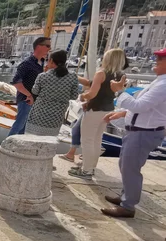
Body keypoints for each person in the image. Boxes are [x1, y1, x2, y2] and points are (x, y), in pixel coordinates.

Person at [100, 48, 166, 218]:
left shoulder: (163, 85)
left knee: (130, 168)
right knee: (126, 165)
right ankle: (125, 197)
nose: (157, 60)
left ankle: (128, 206)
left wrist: (120, 90)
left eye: (162, 58)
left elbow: (139, 106)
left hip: (144, 132)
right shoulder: (159, 82)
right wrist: (122, 113)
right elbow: (144, 108)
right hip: (140, 130)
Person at [69, 48, 126, 179]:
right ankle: (90, 167)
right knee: (97, 139)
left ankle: (86, 170)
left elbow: (92, 93)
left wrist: (82, 96)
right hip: (108, 109)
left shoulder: (101, 73)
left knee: (87, 140)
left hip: (95, 109)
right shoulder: (119, 75)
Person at [25, 50, 79, 136]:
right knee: (50, 141)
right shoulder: (72, 76)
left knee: (33, 139)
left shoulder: (43, 76)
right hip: (56, 117)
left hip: (39, 115)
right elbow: (74, 96)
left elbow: (34, 91)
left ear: (51, 60)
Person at [8, 37, 51, 135]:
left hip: (33, 101)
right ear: (39, 46)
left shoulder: (41, 63)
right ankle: (6, 146)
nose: (49, 48)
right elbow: (16, 81)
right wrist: (29, 95)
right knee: (19, 125)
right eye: (47, 46)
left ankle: (17, 147)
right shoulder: (27, 63)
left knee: (24, 128)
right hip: (25, 100)